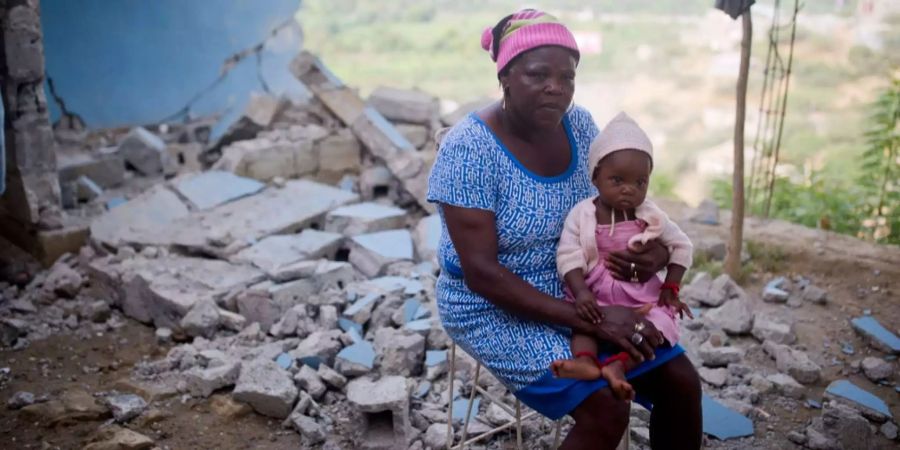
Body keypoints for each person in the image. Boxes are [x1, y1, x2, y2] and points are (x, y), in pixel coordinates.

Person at [426, 9, 702, 450]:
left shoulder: (579, 125)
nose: (556, 87)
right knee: (605, 405)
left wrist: (653, 256)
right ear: (506, 77)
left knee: (681, 381)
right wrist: (595, 319)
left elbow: (617, 204)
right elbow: (481, 272)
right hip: (493, 304)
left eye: (567, 77)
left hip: (582, 285)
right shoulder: (469, 149)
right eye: (538, 74)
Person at [550, 113, 694, 401]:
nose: (629, 189)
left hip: (641, 299)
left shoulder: (650, 215)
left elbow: (682, 246)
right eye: (617, 180)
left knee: (659, 326)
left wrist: (670, 288)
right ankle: (587, 361)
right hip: (596, 293)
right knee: (583, 322)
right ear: (595, 177)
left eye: (640, 182)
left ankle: (617, 367)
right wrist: (581, 293)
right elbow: (568, 254)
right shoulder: (583, 214)